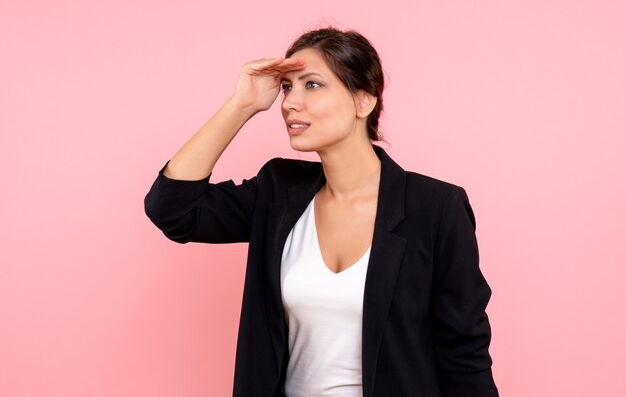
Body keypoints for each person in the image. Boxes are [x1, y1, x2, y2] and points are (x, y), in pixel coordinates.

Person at [144, 27, 499, 397]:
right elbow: (171, 209)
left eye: (312, 85)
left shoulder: (436, 208)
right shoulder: (277, 191)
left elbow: (464, 352)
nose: (289, 103)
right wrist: (241, 106)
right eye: (286, 87)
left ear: (364, 101)